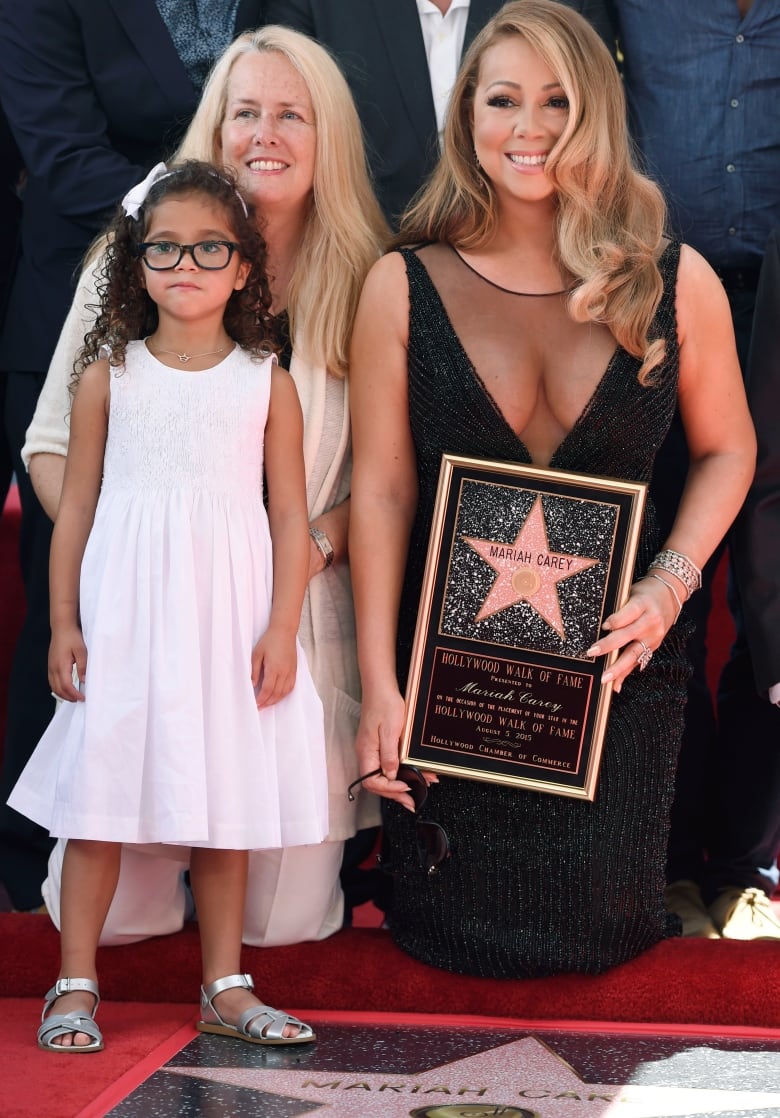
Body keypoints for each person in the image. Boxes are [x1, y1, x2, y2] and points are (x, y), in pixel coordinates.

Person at [348, 0, 756, 977]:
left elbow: (730, 451)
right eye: (502, 100)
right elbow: (381, 492)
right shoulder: (400, 284)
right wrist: (378, 686)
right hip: (452, 690)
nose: (527, 129)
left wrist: (669, 582)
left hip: (620, 681)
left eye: (557, 101)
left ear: (599, 114)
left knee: (600, 947)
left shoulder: (675, 279)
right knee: (439, 945)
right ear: (466, 118)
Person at [23, 25, 387, 945]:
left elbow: (390, 479)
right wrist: (138, 557)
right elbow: (50, 447)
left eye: (291, 114)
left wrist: (309, 546)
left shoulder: (372, 278)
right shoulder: (135, 253)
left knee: (285, 928)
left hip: (287, 635)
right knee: (108, 922)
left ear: (327, 135)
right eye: (245, 112)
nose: (265, 133)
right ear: (213, 127)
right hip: (147, 627)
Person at [8, 159, 327, 1051]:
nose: (185, 265)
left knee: (221, 801)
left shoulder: (269, 381)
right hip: (126, 615)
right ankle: (74, 984)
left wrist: (279, 628)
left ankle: (226, 986)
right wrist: (65, 620)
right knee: (99, 802)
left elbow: (292, 515)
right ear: (136, 263)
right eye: (165, 250)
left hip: (228, 620)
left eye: (208, 249)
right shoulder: (112, 375)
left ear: (243, 267)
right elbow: (75, 507)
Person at [0, 0, 264, 914]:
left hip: (244, 297)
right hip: (91, 303)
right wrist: (198, 227)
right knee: (72, 600)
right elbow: (61, 152)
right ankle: (32, 863)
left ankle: (211, 844)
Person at [614, 0, 780, 940]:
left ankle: (744, 864)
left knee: (774, 599)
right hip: (654, 307)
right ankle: (670, 860)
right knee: (663, 583)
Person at [264, 0, 616, 226]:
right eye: (503, 101)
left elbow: (599, 125)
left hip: (560, 257)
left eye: (555, 103)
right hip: (364, 260)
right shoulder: (315, 8)